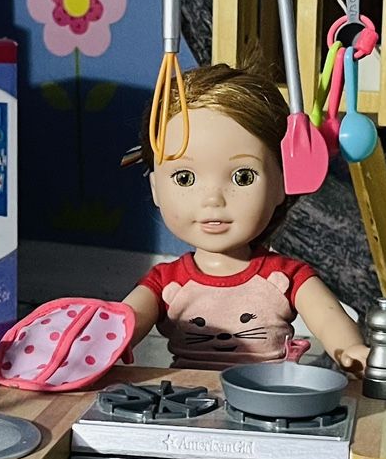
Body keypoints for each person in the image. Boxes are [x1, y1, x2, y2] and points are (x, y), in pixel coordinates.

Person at [122, 62, 369, 373]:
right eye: (184, 178)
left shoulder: (284, 278)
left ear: (281, 183)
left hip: (268, 399)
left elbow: (328, 317)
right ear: (156, 188)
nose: (213, 199)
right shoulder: (166, 283)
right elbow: (124, 322)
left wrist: (349, 349)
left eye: (243, 177)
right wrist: (97, 342)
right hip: (185, 400)